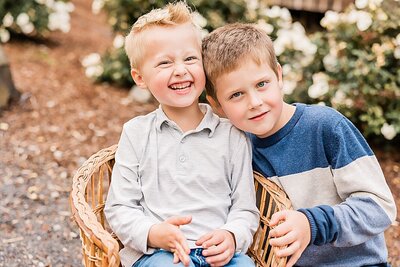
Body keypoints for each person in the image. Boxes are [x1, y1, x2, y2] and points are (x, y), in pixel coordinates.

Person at [202, 23, 397, 267]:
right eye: (236, 95)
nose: (254, 102)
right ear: (217, 105)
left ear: (279, 75)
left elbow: (380, 208)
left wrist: (311, 224)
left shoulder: (326, 128)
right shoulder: (237, 147)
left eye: (262, 84)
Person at [104, 4, 259, 267]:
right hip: (159, 255)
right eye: (165, 62)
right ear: (140, 78)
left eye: (190, 59)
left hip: (220, 255)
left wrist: (232, 236)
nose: (180, 70)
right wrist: (153, 234)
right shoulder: (136, 134)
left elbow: (245, 209)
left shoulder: (232, 136)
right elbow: (119, 208)